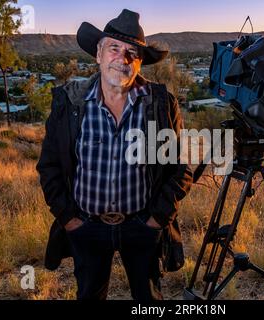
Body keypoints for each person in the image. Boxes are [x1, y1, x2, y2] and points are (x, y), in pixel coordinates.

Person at [36, 9, 193, 300]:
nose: (122, 59)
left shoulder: (160, 104)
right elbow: (49, 166)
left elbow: (180, 169)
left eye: (132, 52)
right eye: (114, 48)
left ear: (141, 63)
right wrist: (69, 219)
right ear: (98, 54)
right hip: (87, 227)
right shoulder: (69, 102)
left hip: (142, 226)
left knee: (148, 301)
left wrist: (157, 219)